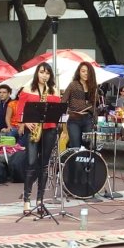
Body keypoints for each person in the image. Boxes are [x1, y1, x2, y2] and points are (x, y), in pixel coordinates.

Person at [16, 62, 61, 214]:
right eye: (42, 72)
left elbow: (57, 112)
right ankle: (26, 200)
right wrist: (25, 122)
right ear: (37, 73)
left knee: (44, 165)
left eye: (47, 73)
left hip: (49, 129)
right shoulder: (28, 88)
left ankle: (40, 200)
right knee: (31, 162)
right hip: (33, 129)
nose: (44, 75)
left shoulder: (53, 90)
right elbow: (20, 110)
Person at [62, 62, 98, 148]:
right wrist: (63, 121)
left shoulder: (93, 87)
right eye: (83, 71)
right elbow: (63, 102)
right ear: (79, 72)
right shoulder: (73, 85)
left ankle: (84, 161)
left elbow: (94, 105)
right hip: (74, 119)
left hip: (88, 120)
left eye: (88, 71)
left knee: (87, 146)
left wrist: (95, 117)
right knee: (75, 146)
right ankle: (75, 161)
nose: (86, 73)